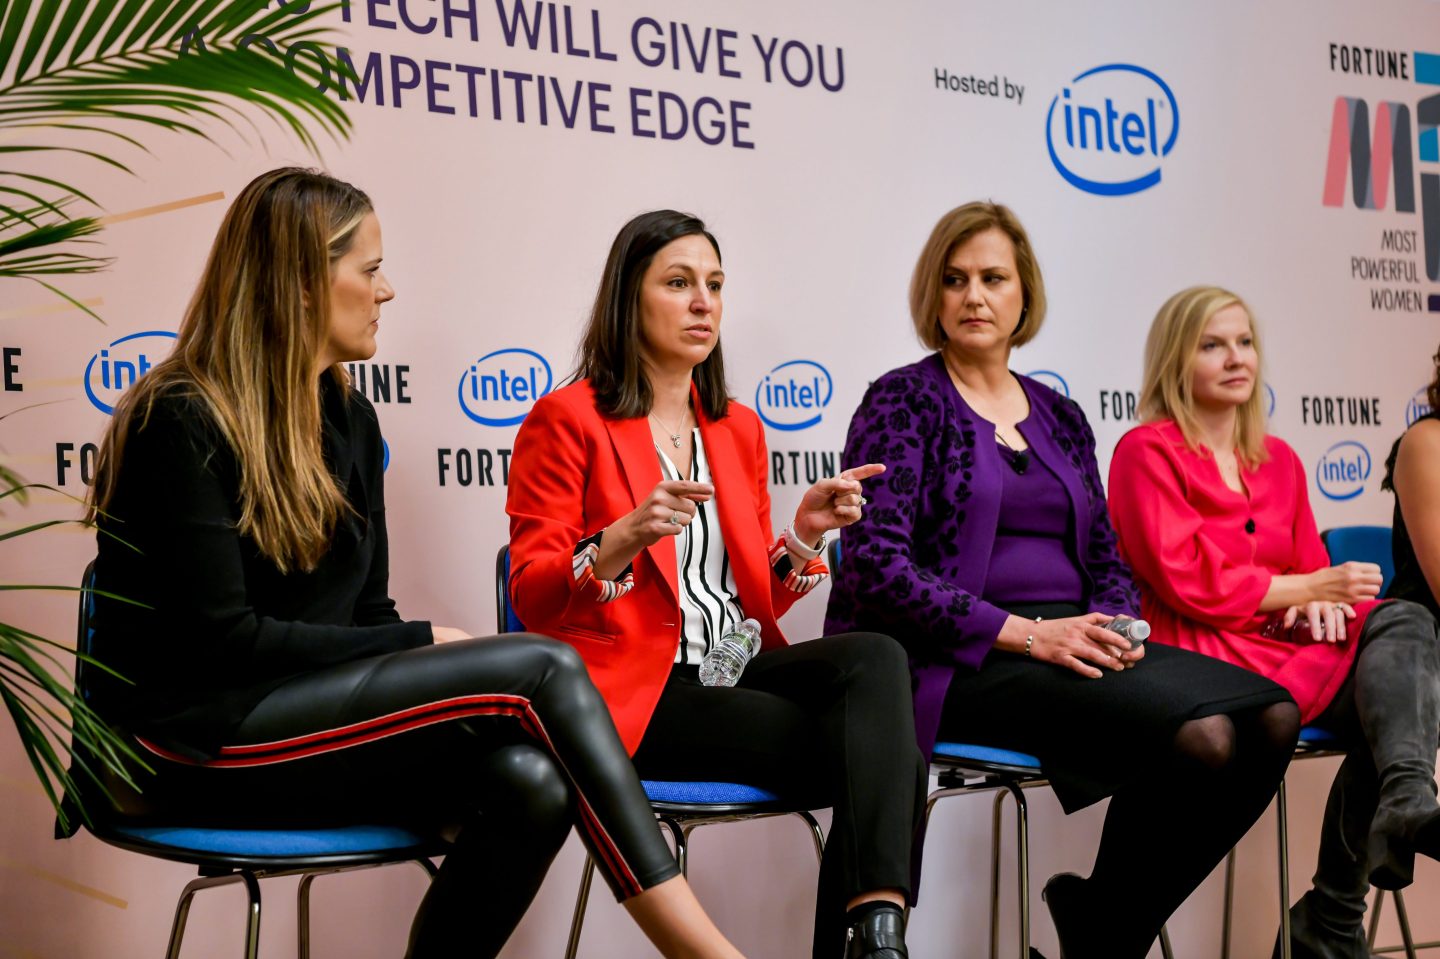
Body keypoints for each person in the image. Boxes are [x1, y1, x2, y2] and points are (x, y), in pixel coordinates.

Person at [83, 169, 747, 959]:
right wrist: (420, 641)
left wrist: (408, 642)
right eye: (368, 270)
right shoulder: (179, 418)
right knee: (538, 663)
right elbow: (220, 647)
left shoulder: (350, 417)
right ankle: (708, 954)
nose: (386, 290)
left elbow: (364, 616)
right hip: (184, 742)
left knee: (531, 784)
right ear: (299, 283)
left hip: (303, 723)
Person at [825, 203, 1299, 959]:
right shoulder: (902, 399)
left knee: (1273, 716)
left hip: (1072, 639)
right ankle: (1105, 935)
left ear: (1024, 295)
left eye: (992, 278)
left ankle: (1099, 924)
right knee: (1203, 736)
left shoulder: (1063, 415)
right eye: (955, 280)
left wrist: (1111, 624)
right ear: (933, 298)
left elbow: (1107, 556)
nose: (974, 296)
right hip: (964, 654)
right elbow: (879, 565)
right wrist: (1029, 634)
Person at [506, 209, 926, 959]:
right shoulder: (566, 419)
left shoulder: (735, 426)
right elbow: (533, 595)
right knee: (891, 759)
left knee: (877, 660)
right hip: (638, 694)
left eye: (715, 285)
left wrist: (801, 536)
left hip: (731, 668)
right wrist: (618, 540)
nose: (704, 302)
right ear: (628, 299)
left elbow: (742, 602)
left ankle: (875, 935)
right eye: (678, 283)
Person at [1107, 285, 1440, 959]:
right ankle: (1336, 909)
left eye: (1245, 341)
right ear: (1177, 358)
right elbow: (1187, 579)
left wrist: (1318, 597)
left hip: (1284, 647)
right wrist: (1306, 587)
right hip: (1198, 653)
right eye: (1212, 344)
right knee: (1403, 689)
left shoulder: (1280, 459)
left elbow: (1315, 575)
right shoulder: (1146, 450)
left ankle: (1406, 796)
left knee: (1404, 634)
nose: (1236, 358)